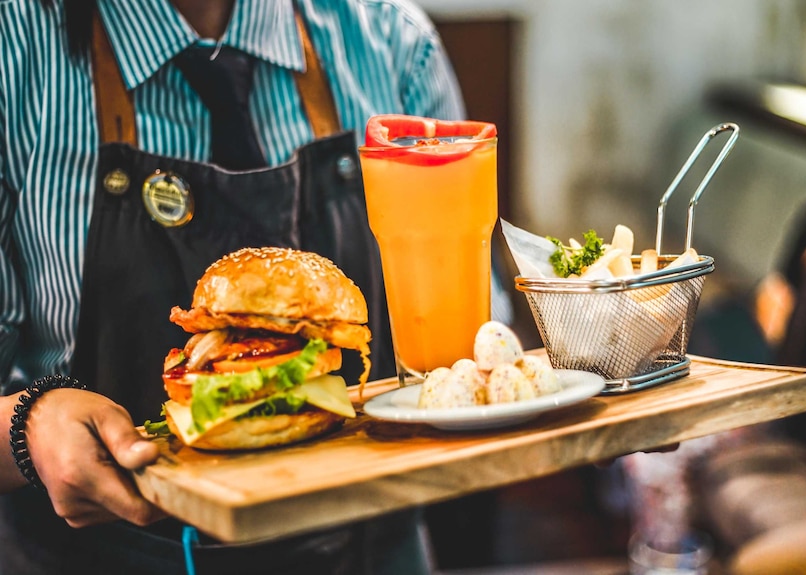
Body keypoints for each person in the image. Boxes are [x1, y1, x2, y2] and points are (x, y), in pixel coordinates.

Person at [0, 0, 514, 573]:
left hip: (375, 549)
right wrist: (26, 426)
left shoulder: (393, 41)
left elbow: (479, 343)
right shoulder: (14, 49)